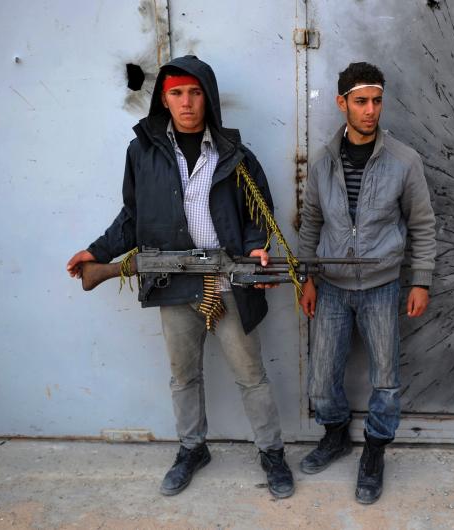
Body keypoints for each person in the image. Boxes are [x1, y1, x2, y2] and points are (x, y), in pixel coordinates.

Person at [66, 55, 294, 499]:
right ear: (164, 99)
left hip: (226, 278)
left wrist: (254, 250)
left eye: (194, 93)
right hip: (172, 281)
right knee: (183, 376)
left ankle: (271, 452)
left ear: (207, 97)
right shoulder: (142, 152)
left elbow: (256, 215)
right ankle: (192, 448)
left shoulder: (236, 154)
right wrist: (97, 252)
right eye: (176, 93)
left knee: (251, 375)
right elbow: (132, 216)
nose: (187, 102)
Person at [298, 62, 436, 504]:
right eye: (360, 101)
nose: (370, 110)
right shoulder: (322, 163)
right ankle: (336, 434)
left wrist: (421, 282)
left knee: (386, 379)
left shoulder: (403, 161)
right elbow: (311, 223)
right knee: (321, 379)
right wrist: (307, 276)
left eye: (376, 101)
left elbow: (423, 225)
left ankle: (375, 450)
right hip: (333, 285)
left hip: (381, 286)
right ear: (342, 104)